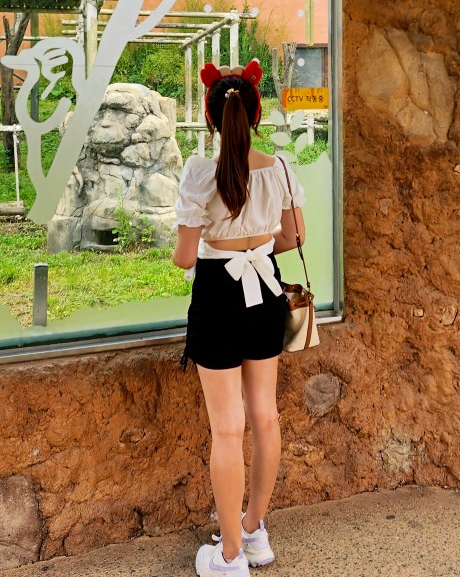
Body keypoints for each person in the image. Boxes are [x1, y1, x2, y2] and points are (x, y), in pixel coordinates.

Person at [174, 59, 306, 576]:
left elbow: (186, 258)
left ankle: (227, 558)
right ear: (254, 117)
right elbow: (293, 239)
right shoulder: (281, 168)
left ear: (211, 118)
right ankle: (254, 533)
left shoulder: (198, 172)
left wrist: (216, 241)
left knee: (227, 429)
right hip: (265, 290)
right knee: (265, 416)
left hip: (217, 297)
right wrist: (256, 245)